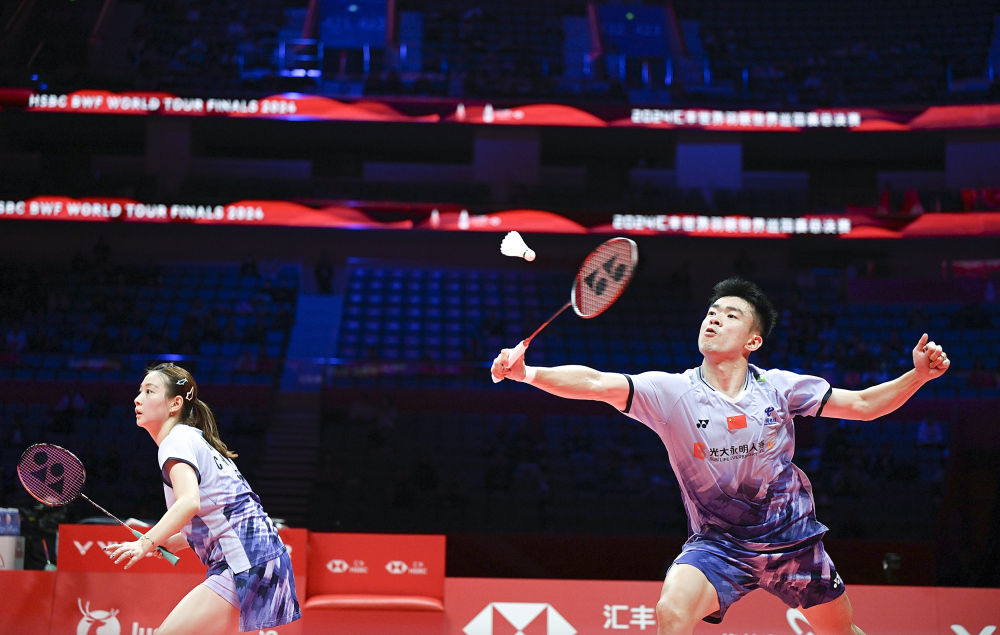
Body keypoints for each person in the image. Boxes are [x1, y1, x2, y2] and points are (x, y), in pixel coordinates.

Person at [491, 277, 950, 635]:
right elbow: (595, 383)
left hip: (792, 542)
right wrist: (528, 373)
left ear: (753, 341)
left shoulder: (780, 388)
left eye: (730, 315)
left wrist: (918, 376)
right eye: (711, 312)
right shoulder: (672, 393)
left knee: (840, 631)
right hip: (718, 546)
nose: (714, 319)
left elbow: (865, 405)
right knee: (672, 610)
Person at [105, 362, 300, 634]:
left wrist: (146, 542)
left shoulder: (175, 442)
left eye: (149, 391)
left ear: (175, 404)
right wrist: (173, 541)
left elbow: (189, 502)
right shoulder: (195, 439)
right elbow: (220, 511)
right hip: (261, 554)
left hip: (244, 558)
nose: (138, 399)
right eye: (140, 391)